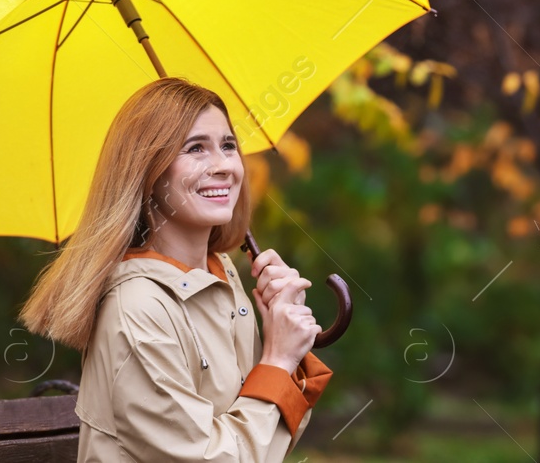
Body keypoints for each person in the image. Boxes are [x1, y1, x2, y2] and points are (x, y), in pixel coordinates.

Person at [19, 77, 332, 461]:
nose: (222, 166)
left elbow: (266, 444)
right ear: (149, 171)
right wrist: (279, 360)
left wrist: (281, 330)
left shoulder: (226, 279)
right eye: (195, 148)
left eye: (228, 145)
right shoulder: (135, 308)